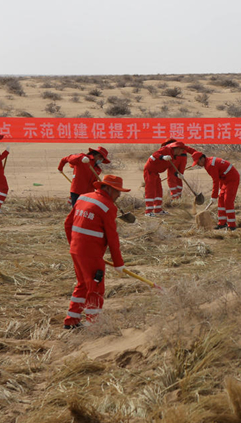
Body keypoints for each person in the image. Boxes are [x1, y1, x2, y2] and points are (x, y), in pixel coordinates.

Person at [62, 174, 128, 329]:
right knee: (95, 287)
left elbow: (67, 224)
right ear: (109, 189)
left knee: (83, 285)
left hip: (76, 250)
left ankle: (71, 321)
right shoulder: (108, 206)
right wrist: (118, 263)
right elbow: (112, 237)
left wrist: (74, 245)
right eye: (118, 191)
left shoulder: (83, 198)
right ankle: (94, 324)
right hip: (91, 254)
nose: (119, 195)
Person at [191, 151, 241, 230]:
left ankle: (232, 226)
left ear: (202, 158)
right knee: (221, 200)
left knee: (227, 201)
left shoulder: (210, 165)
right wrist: (220, 189)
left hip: (232, 179)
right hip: (225, 180)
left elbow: (215, 180)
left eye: (198, 162)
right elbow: (219, 176)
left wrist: (213, 196)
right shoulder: (208, 162)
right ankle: (222, 223)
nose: (198, 164)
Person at [143, 141, 187, 216]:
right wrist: (162, 157)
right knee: (151, 190)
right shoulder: (166, 149)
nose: (182, 152)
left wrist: (178, 174)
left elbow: (172, 170)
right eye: (182, 150)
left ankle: (157, 210)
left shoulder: (174, 158)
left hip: (156, 173)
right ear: (178, 149)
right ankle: (148, 211)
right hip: (149, 171)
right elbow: (155, 154)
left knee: (159, 190)